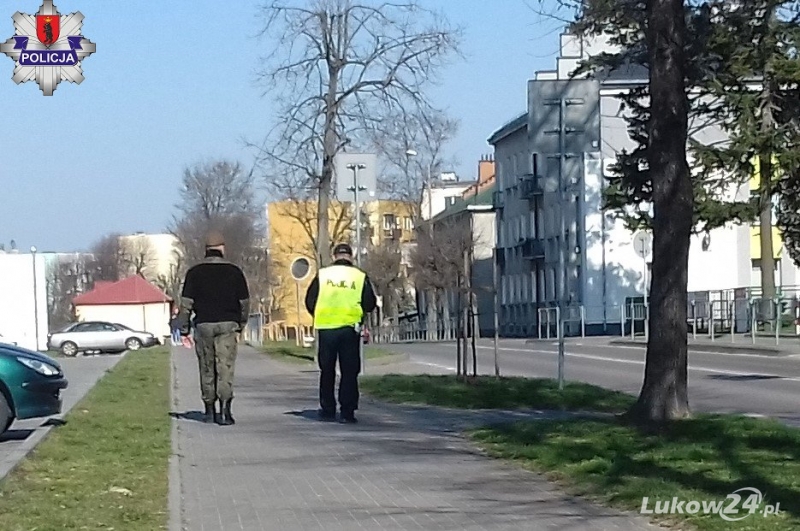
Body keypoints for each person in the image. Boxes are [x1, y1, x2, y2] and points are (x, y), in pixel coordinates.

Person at [178, 230, 249, 426]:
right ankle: (225, 412)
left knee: (207, 367)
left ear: (206, 250)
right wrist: (241, 324)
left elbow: (186, 304)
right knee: (225, 367)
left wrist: (184, 328)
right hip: (228, 325)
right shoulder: (235, 272)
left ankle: (209, 411)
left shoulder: (194, 273)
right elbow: (244, 303)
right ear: (222, 248)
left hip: (203, 325)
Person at [305, 243, 377, 423]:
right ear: (350, 257)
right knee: (349, 371)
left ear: (334, 256)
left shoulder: (323, 275)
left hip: (327, 328)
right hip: (349, 329)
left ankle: (328, 409)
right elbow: (370, 302)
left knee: (327, 370)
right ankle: (347, 411)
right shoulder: (359, 276)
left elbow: (310, 300)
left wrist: (319, 314)